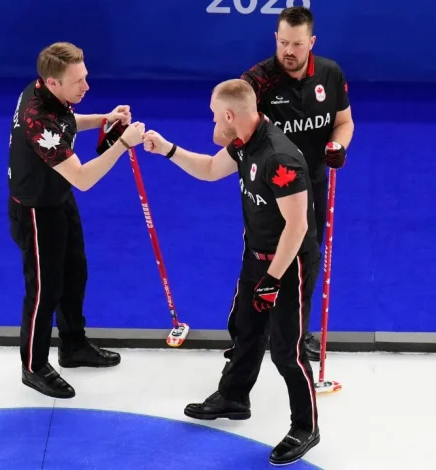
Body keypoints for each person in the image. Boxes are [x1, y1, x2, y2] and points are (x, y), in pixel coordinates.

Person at [142, 79, 321, 466]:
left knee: (287, 351)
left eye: (213, 115)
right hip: (256, 255)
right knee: (245, 327)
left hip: (289, 265)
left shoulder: (279, 158)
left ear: (228, 115)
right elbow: (210, 169)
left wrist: (272, 280)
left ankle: (305, 427)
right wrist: (168, 149)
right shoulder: (244, 143)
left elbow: (297, 227)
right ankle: (234, 397)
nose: (211, 120)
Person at [7, 42, 145, 399]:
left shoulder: (45, 91)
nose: (86, 86)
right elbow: (83, 178)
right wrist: (122, 144)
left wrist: (104, 119)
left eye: (85, 77)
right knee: (44, 291)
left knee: (75, 273)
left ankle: (73, 345)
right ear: (54, 83)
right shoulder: (39, 119)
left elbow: (66, 123)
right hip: (36, 211)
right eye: (78, 81)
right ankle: (33, 366)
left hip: (58, 197)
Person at [236, 6, 355, 362]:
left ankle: (296, 334)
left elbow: (344, 122)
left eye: (297, 44)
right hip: (268, 191)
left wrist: (338, 147)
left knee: (306, 260)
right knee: (261, 261)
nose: (288, 51)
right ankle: (249, 336)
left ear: (311, 42)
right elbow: (229, 130)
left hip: (312, 184)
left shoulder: (330, 74)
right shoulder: (257, 81)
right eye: (283, 42)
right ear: (276, 38)